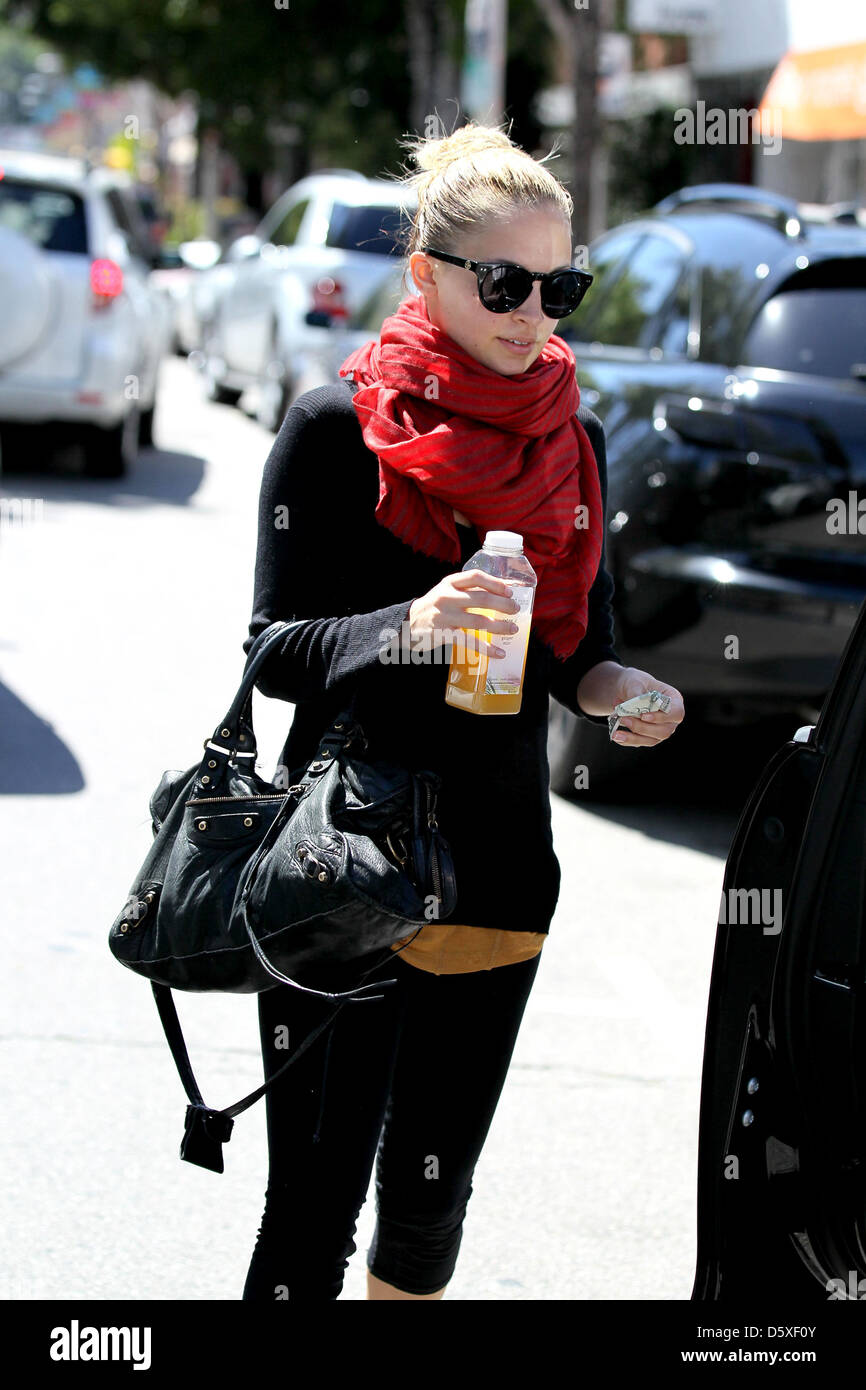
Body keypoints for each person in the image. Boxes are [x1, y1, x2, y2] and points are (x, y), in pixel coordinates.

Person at [240, 120, 684, 1302]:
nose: (534, 310)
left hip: (494, 862)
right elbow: (274, 656)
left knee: (429, 1204)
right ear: (426, 274)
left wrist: (621, 692)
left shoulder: (571, 441)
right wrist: (411, 624)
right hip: (341, 859)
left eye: (560, 285)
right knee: (311, 1207)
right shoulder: (332, 430)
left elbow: (575, 654)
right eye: (504, 281)